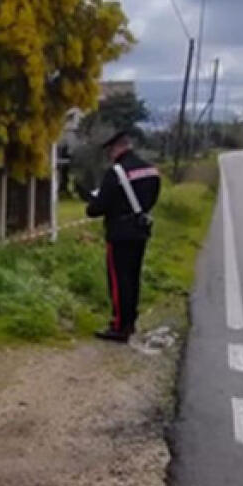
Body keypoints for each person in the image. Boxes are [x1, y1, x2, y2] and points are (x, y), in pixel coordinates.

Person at [79, 128, 161, 342]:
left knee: (118, 280)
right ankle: (130, 321)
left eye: (110, 151)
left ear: (118, 148)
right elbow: (152, 198)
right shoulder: (150, 170)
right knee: (133, 278)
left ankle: (119, 326)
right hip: (140, 230)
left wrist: (90, 202)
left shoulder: (116, 173)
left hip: (119, 233)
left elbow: (98, 207)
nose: (109, 156)